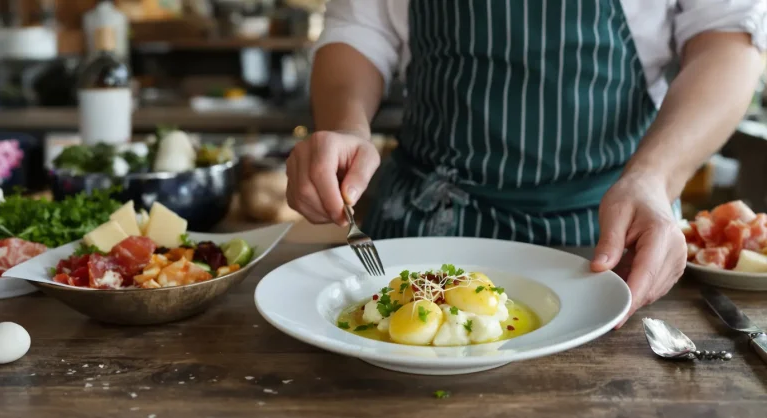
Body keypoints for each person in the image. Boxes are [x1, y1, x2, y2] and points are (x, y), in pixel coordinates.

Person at [285, 0, 766, 326]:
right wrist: (347, 128)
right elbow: (359, 29)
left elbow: (726, 40)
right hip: (425, 226)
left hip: (608, 232)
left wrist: (655, 179)